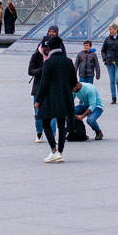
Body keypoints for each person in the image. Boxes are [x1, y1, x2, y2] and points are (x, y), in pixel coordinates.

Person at [36, 34, 78, 162]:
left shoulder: (49, 62)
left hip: (50, 97)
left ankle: (53, 150)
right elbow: (73, 82)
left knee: (45, 122)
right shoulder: (68, 61)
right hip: (65, 96)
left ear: (50, 48)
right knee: (61, 124)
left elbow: (44, 82)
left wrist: (38, 100)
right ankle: (60, 151)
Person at [101, 25, 118, 104]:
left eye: (111, 29)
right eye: (109, 29)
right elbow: (103, 50)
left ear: (116, 29)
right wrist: (105, 58)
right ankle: (113, 97)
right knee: (112, 80)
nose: (110, 31)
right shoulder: (107, 39)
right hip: (109, 61)